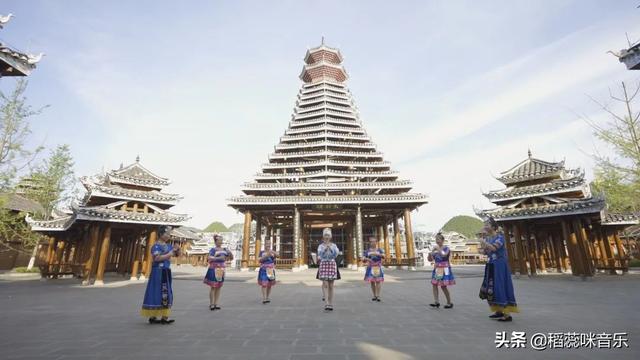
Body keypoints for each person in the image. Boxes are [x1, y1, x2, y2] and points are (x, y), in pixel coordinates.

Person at [479, 217, 519, 322]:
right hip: (491, 264)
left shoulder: (500, 237)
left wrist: (484, 243)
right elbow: (485, 252)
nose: (485, 226)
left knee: (499, 286)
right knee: (491, 287)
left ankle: (507, 314)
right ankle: (498, 310)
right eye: (485, 225)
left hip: (500, 265)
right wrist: (482, 247)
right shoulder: (488, 239)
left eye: (487, 224)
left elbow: (493, 248)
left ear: (493, 227)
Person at [141, 225, 180, 324]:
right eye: (166, 233)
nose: (168, 235)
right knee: (157, 292)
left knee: (166, 293)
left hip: (165, 271)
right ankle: (154, 316)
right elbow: (157, 258)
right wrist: (170, 254)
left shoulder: (168, 246)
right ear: (161, 234)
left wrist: (177, 250)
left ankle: (164, 316)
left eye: (169, 234)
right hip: (157, 272)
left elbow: (176, 255)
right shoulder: (156, 246)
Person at [204, 234, 233, 310]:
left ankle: (216, 303)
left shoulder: (224, 249)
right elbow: (209, 258)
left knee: (218, 286)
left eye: (221, 240)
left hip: (221, 269)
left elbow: (231, 258)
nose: (220, 242)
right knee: (213, 287)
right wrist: (219, 258)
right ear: (215, 241)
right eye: (219, 240)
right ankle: (211, 303)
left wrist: (230, 253)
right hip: (214, 268)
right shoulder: (213, 250)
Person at [428, 232, 455, 309]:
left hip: (444, 268)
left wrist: (437, 249)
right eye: (436, 239)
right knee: (435, 284)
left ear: (443, 240)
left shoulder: (446, 248)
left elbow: (444, 255)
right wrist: (430, 254)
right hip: (437, 268)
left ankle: (449, 302)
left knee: (443, 286)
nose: (437, 240)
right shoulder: (435, 249)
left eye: (438, 239)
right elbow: (430, 259)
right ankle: (436, 301)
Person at [316, 228, 340, 311]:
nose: (326, 237)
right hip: (324, 264)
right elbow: (319, 255)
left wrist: (331, 249)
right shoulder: (320, 246)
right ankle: (326, 303)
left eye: (328, 235)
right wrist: (325, 249)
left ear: (330, 237)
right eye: (325, 235)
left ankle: (331, 303)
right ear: (323, 237)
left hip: (331, 264)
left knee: (331, 285)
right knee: (325, 284)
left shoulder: (334, 245)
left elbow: (336, 255)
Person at [362, 236, 385, 301]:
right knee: (372, 282)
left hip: (377, 266)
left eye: (374, 241)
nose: (372, 243)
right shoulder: (367, 251)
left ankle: (378, 295)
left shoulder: (379, 250)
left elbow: (384, 256)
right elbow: (363, 259)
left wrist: (377, 254)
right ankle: (374, 295)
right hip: (370, 266)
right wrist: (367, 259)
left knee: (378, 281)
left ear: (376, 242)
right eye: (371, 242)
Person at [257, 237, 279, 304]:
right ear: (265, 244)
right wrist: (267, 255)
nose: (268, 245)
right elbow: (260, 260)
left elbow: (278, 256)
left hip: (270, 269)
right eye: (267, 243)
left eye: (269, 243)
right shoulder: (262, 252)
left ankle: (267, 297)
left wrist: (273, 253)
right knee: (264, 284)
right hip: (263, 269)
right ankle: (264, 298)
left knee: (269, 284)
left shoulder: (272, 251)